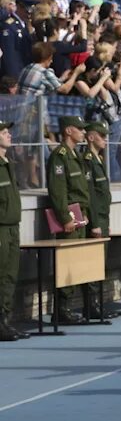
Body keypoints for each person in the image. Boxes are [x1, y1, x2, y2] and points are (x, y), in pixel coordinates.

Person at [47, 116, 92, 324]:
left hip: (80, 215)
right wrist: (65, 217)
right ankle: (62, 308)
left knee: (78, 262)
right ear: (68, 131)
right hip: (70, 217)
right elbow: (58, 190)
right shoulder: (60, 156)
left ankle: (70, 306)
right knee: (67, 262)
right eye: (79, 129)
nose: (83, 132)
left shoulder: (76, 155)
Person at [81, 121, 118, 320]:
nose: (105, 139)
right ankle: (91, 305)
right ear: (91, 137)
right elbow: (91, 196)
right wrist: (95, 222)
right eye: (102, 136)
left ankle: (96, 303)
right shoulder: (88, 159)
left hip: (103, 217)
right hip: (97, 219)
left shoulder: (98, 159)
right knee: (93, 263)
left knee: (99, 263)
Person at [0, 120, 26, 341]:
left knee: (9, 275)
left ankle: (4, 320)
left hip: (12, 227)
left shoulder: (7, 162)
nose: (9, 135)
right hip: (0, 229)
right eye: (4, 132)